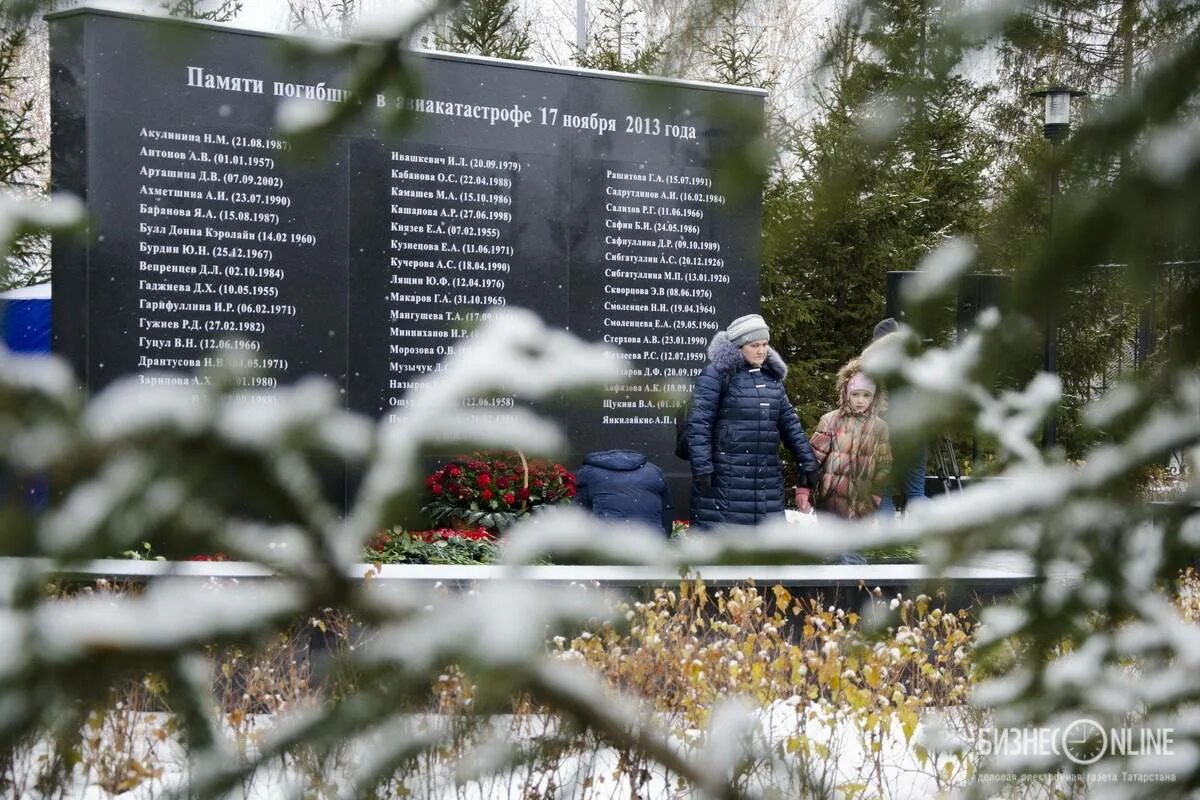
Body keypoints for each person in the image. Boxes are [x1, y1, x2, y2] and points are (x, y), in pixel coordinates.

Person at [686, 313, 820, 527]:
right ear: (739, 346)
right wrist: (702, 467)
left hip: (766, 479)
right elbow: (699, 424)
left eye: (765, 344)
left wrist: (807, 462)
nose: (761, 350)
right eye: (754, 345)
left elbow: (790, 423)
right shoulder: (716, 375)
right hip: (726, 477)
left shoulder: (771, 379)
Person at [802, 358, 892, 520]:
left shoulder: (880, 427)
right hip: (830, 502)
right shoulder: (830, 420)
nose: (860, 400)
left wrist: (875, 498)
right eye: (855, 394)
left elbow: (884, 467)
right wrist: (804, 488)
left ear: (874, 397)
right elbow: (812, 458)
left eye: (866, 395)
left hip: (862, 506)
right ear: (846, 394)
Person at [865, 317, 927, 515]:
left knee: (884, 495)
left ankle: (888, 544)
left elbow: (875, 405)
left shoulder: (875, 367)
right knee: (916, 493)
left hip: (886, 437)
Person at [575, 449, 673, 537]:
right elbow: (667, 511)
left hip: (608, 542)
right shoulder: (654, 470)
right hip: (651, 542)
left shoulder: (588, 473)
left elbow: (580, 514)